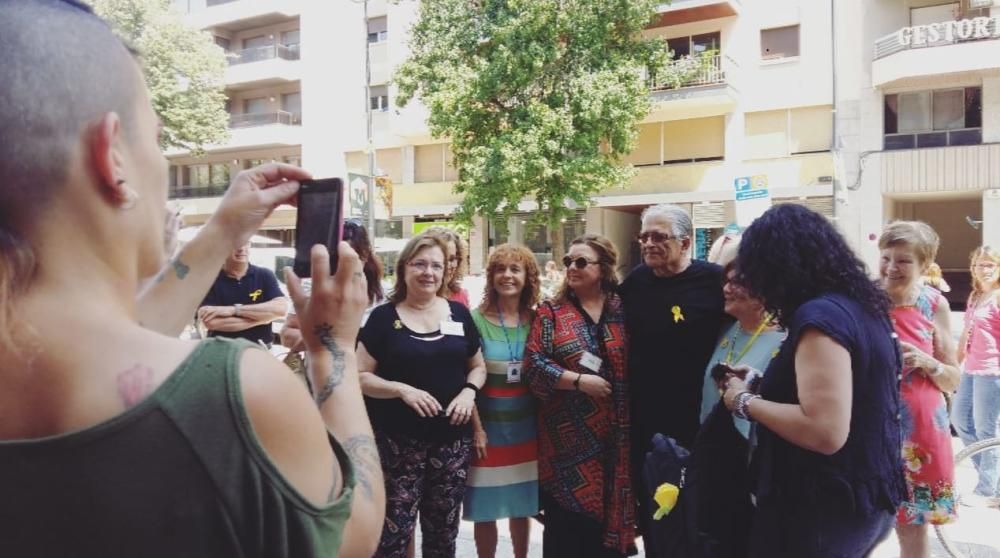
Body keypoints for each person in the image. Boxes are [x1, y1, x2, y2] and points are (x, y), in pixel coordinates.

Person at [0, 2, 384, 556]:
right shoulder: (238, 396)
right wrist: (333, 353)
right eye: (155, 139)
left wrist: (223, 229)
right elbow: (355, 530)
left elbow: (117, 338)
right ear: (113, 157)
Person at [720, 204, 905, 557]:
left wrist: (744, 402)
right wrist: (764, 383)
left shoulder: (820, 317)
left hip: (822, 508)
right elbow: (851, 392)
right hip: (862, 499)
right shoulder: (860, 306)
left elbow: (824, 431)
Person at [357, 232, 487, 558]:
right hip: (397, 446)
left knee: (443, 534)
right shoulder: (383, 318)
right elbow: (358, 376)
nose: (428, 272)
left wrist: (468, 394)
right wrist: (400, 389)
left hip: (451, 444)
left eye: (436, 266)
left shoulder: (458, 315)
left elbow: (478, 367)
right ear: (404, 269)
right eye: (420, 264)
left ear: (445, 273)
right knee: (393, 535)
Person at [524, 234, 635, 558]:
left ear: (604, 268)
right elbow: (534, 364)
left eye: (582, 261)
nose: (572, 267)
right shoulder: (551, 312)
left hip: (617, 441)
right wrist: (577, 381)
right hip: (566, 446)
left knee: (606, 535)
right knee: (567, 534)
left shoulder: (623, 307)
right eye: (568, 261)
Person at [618, 204, 725, 530]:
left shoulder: (714, 281)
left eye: (659, 236)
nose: (648, 243)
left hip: (697, 417)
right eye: (644, 236)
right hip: (645, 417)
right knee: (652, 505)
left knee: (694, 509)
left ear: (685, 243)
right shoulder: (636, 281)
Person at [878, 221, 961, 557]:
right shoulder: (863, 299)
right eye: (885, 257)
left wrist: (929, 362)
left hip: (921, 431)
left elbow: (953, 379)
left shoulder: (933, 304)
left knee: (913, 525)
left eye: (903, 260)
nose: (891, 267)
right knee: (860, 518)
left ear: (925, 266)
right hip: (873, 421)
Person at [464, 244, 541, 558]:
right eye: (500, 269)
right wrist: (476, 430)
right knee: (485, 507)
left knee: (521, 505)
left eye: (515, 269)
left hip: (527, 429)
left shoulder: (538, 320)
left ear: (527, 277)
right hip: (488, 430)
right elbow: (465, 377)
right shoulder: (474, 320)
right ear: (491, 276)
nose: (507, 276)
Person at [699, 261, 784, 438]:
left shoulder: (785, 340)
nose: (726, 289)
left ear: (762, 291)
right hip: (712, 445)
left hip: (754, 452)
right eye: (726, 282)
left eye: (736, 283)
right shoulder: (727, 328)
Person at [280, 219, 385, 353]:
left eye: (350, 258)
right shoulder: (313, 288)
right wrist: (328, 341)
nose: (343, 266)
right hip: (323, 369)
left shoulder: (384, 294)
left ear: (365, 256)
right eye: (336, 259)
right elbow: (287, 335)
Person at [952, 245, 1000, 507]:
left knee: (987, 430)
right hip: (970, 368)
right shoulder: (975, 296)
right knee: (959, 421)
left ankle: (987, 491)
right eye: (979, 264)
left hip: (992, 370)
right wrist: (952, 366)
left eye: (989, 264)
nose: (983, 269)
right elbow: (966, 338)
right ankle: (993, 481)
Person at [197, 243, 287, 346]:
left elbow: (281, 309)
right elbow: (211, 323)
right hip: (222, 351)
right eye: (236, 243)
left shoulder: (264, 275)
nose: (241, 248)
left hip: (260, 350)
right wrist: (262, 320)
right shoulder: (209, 280)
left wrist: (233, 310)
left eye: (246, 243)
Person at [426, 226, 471, 306]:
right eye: (442, 258)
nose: (448, 265)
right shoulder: (410, 300)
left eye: (452, 259)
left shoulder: (461, 297)